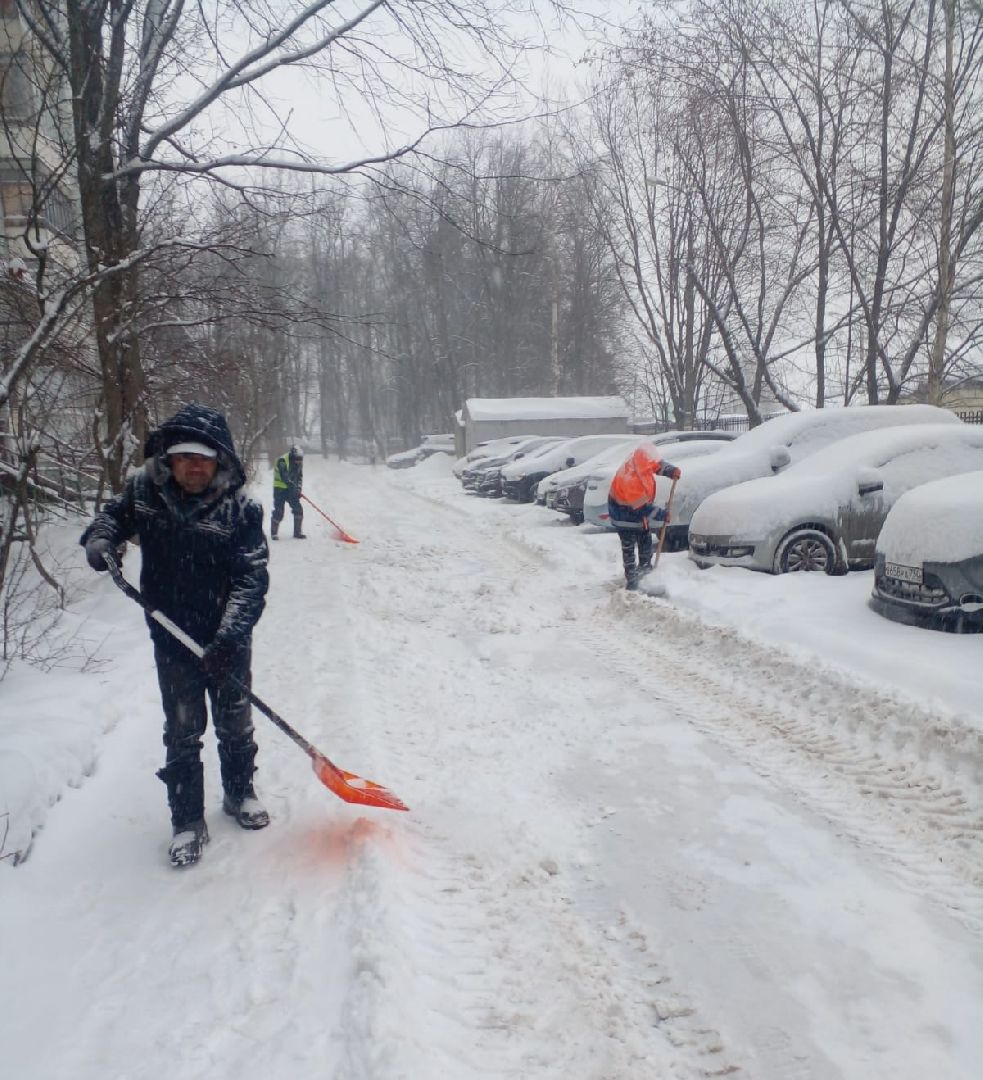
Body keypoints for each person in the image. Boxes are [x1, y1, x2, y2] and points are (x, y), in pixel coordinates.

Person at [81, 404, 271, 868]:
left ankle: (240, 793)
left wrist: (227, 640)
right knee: (183, 730)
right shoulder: (145, 493)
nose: (192, 465)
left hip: (226, 638)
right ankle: (187, 822)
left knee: (234, 721)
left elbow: (251, 579)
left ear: (219, 460)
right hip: (171, 635)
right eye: (183, 456)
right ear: (168, 458)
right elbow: (112, 518)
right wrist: (102, 539)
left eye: (203, 458)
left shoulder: (241, 508)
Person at [607, 443, 682, 591]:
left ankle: (645, 569)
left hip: (636, 511)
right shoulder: (629, 479)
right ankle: (632, 579)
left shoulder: (640, 463)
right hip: (622, 515)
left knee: (645, 539)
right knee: (628, 547)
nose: (652, 465)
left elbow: (655, 465)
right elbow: (642, 507)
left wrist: (670, 470)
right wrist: (662, 515)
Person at [271, 444, 305, 539]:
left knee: (298, 509)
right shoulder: (282, 461)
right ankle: (274, 533)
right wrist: (293, 487)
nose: (299, 461)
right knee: (279, 511)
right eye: (297, 459)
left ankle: (297, 532)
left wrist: (298, 489)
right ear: (292, 455)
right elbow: (285, 477)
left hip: (291, 489)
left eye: (300, 459)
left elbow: (299, 477)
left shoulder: (299, 463)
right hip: (279, 488)